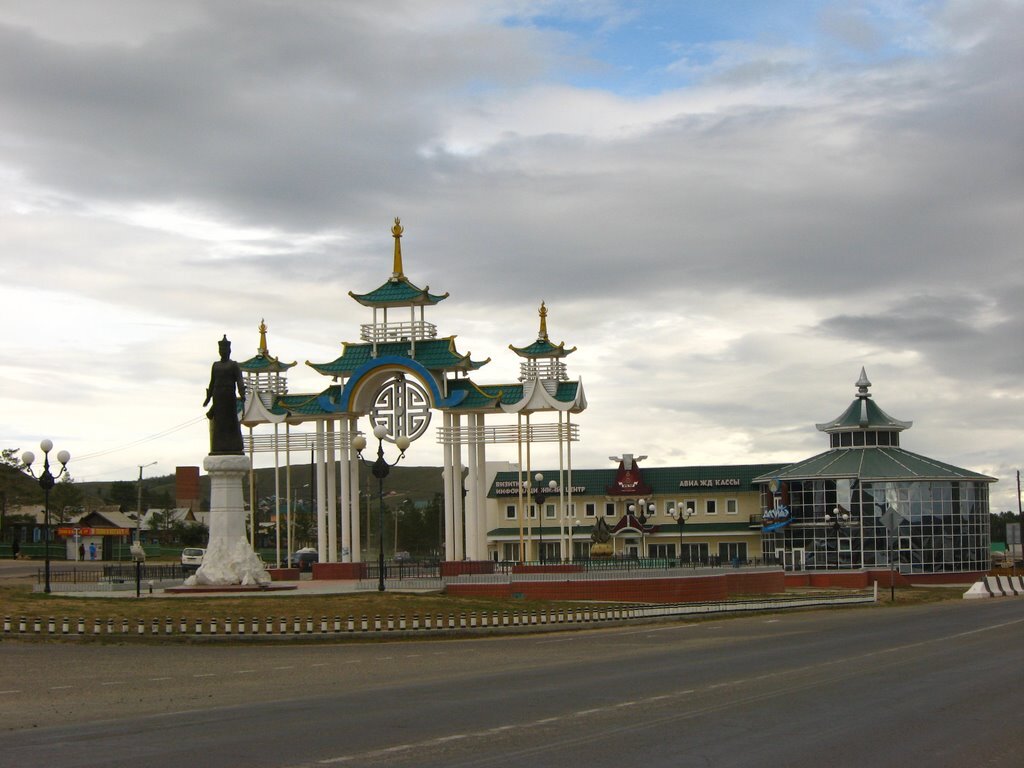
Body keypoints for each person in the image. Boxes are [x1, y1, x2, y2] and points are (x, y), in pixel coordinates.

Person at [203, 335, 246, 455]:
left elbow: (239, 380)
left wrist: (242, 393)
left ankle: (233, 445)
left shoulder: (233, 365)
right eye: (221, 350)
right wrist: (208, 398)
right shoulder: (215, 365)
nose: (223, 352)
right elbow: (212, 382)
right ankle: (219, 445)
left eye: (225, 350)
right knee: (219, 422)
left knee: (231, 421)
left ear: (229, 351)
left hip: (229, 396)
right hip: (218, 396)